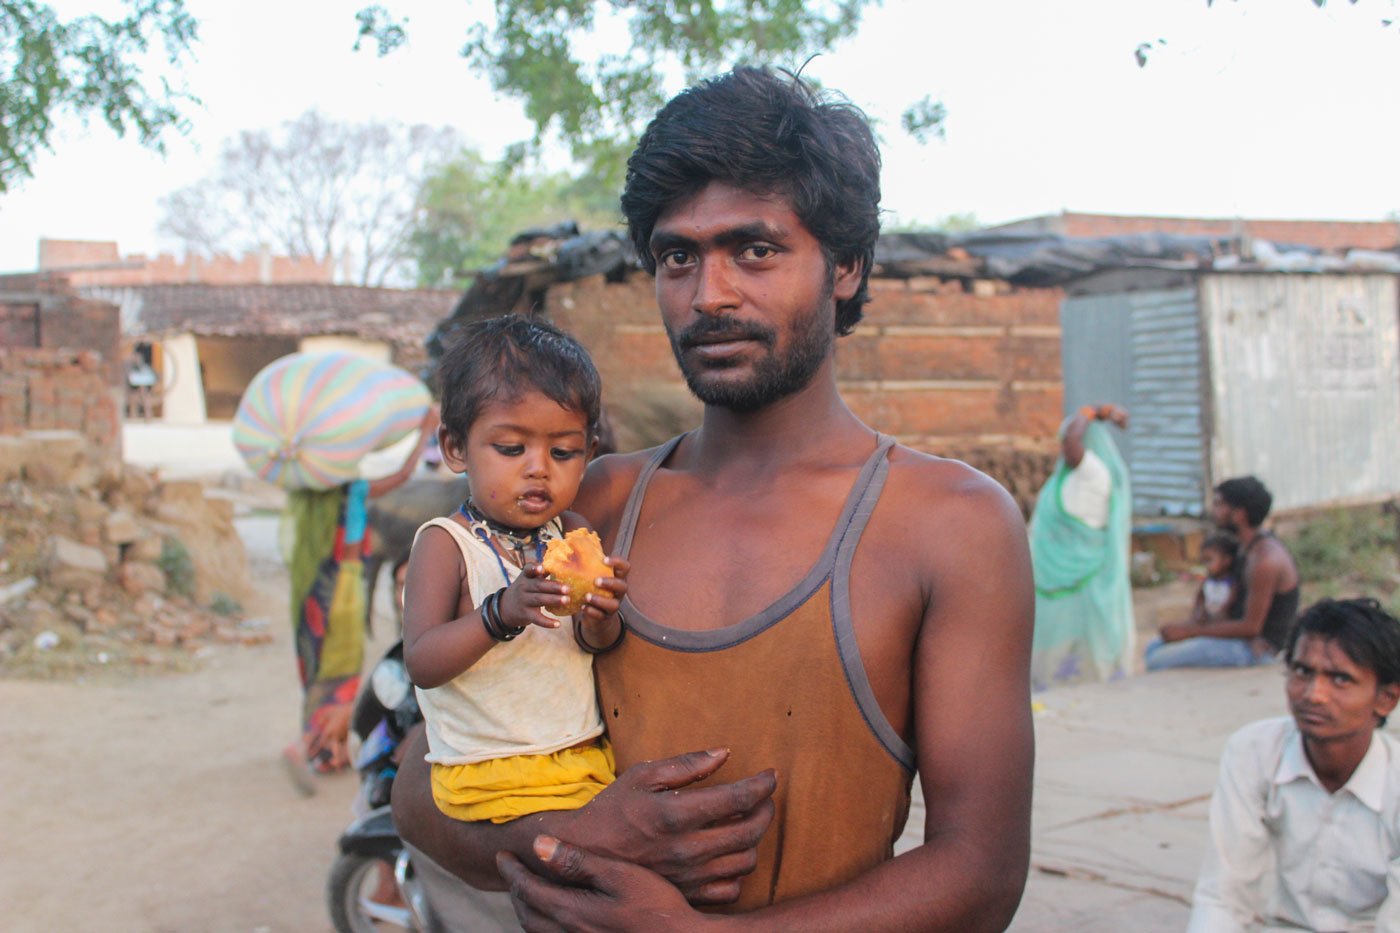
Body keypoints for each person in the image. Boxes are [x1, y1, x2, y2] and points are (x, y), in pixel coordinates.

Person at [392, 66, 1035, 930]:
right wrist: (572, 835)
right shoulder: (590, 506)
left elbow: (980, 871)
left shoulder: (949, 524)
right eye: (677, 256)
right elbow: (420, 774)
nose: (709, 295)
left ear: (844, 265)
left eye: (756, 249)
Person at [402, 315, 628, 827]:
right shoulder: (446, 545)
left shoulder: (570, 533)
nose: (539, 468)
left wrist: (600, 614)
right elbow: (422, 662)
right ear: (456, 448)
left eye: (563, 452)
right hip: (489, 772)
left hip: (579, 757)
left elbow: (592, 646)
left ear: (589, 454)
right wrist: (500, 614)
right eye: (510, 449)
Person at [1188, 597, 1400, 931]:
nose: (1313, 694)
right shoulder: (1255, 751)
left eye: (1340, 679)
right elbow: (1224, 894)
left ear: (1386, 699)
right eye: (1302, 671)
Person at [281, 404, 437, 790]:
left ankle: (321, 742)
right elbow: (402, 475)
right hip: (345, 582)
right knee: (341, 668)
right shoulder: (353, 488)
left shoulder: (307, 491)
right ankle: (311, 745)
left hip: (316, 583)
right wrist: (425, 432)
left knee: (319, 664)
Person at [1029, 403, 1135, 690]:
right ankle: (1061, 677)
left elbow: (1071, 440)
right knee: (1063, 629)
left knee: (1084, 629)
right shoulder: (1072, 476)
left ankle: (1085, 677)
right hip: (1061, 568)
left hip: (1080, 566)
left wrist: (1092, 412)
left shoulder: (1093, 471)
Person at [1145, 475, 1299, 671]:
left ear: (1239, 513)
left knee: (1158, 660)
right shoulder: (1244, 548)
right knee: (1154, 647)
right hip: (1237, 638)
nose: (1214, 511)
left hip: (1257, 649)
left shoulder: (1265, 560)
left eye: (1219, 505)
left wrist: (1191, 631)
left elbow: (1251, 627)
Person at [1194, 534, 1243, 625]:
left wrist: (1219, 614)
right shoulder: (1207, 581)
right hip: (1207, 622)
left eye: (1209, 560)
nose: (1206, 565)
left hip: (1223, 625)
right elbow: (1200, 598)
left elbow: (1228, 606)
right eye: (1203, 561)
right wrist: (1199, 611)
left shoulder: (1232, 584)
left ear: (1226, 560)